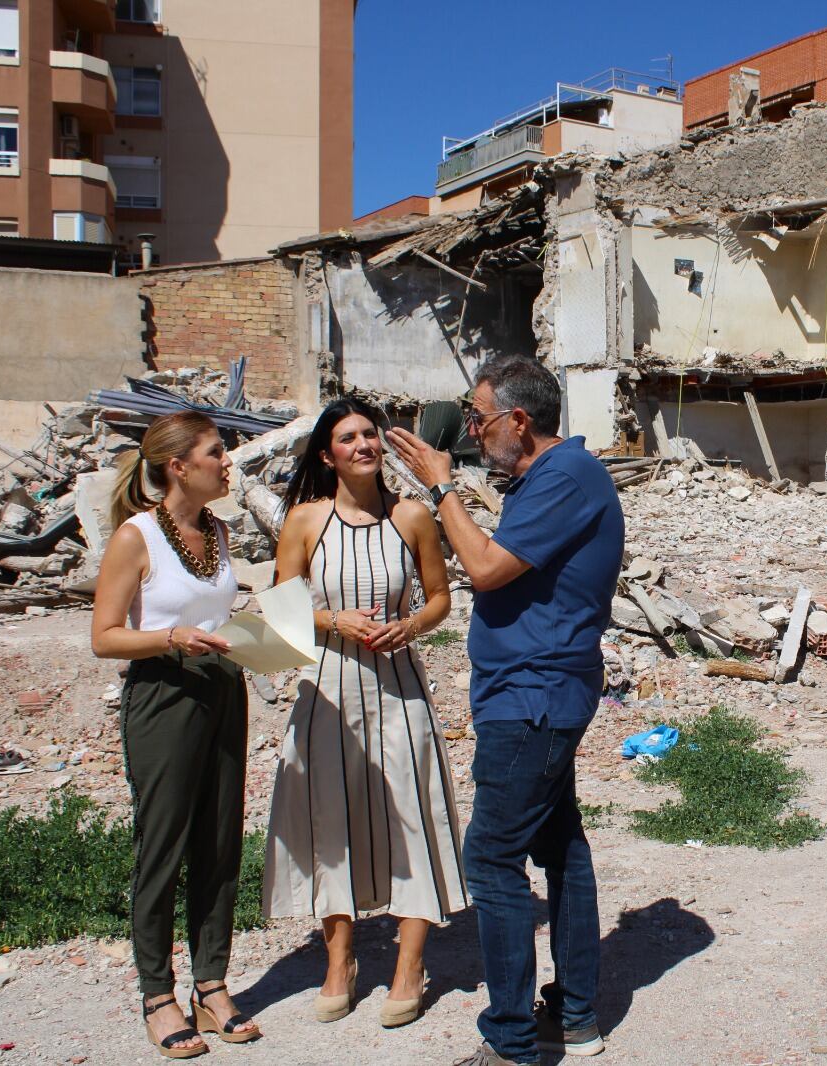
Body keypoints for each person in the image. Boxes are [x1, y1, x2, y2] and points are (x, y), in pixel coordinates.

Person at [386, 356, 624, 1066]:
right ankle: (575, 1016)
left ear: (519, 420)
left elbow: (486, 568)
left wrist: (440, 487)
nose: (472, 432)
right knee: (559, 846)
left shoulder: (565, 476)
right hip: (535, 690)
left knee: (491, 859)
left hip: (532, 697)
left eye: (480, 418)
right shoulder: (545, 478)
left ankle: (512, 1042)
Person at [262, 398, 466, 1029]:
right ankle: (339, 961)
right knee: (331, 816)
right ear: (327, 455)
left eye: (369, 434)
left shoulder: (412, 516)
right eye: (348, 438)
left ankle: (410, 964)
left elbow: (440, 598)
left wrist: (412, 625)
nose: (363, 445)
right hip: (327, 687)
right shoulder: (304, 520)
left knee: (413, 811)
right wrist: (332, 620)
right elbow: (280, 607)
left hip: (399, 686)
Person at [90, 411, 261, 1060]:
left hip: (223, 688)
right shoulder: (135, 537)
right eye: (217, 452)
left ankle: (210, 984)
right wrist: (169, 638)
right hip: (164, 692)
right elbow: (105, 636)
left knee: (220, 840)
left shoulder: (218, 530)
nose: (228, 462)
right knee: (163, 844)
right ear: (179, 466)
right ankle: (157, 993)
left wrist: (257, 631)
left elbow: (216, 611)